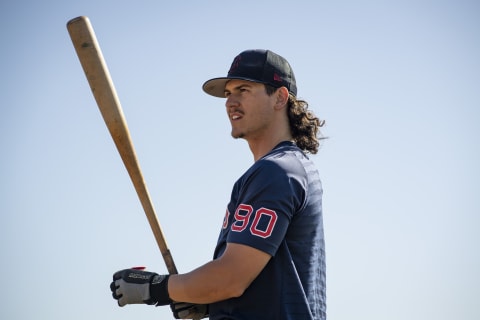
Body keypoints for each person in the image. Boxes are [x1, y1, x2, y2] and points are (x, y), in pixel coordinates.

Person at [110, 49, 327, 320]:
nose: (230, 102)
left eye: (243, 90)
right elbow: (260, 281)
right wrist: (204, 299)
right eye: (228, 93)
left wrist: (157, 288)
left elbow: (232, 277)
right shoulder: (288, 168)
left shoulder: (276, 172)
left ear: (280, 97)